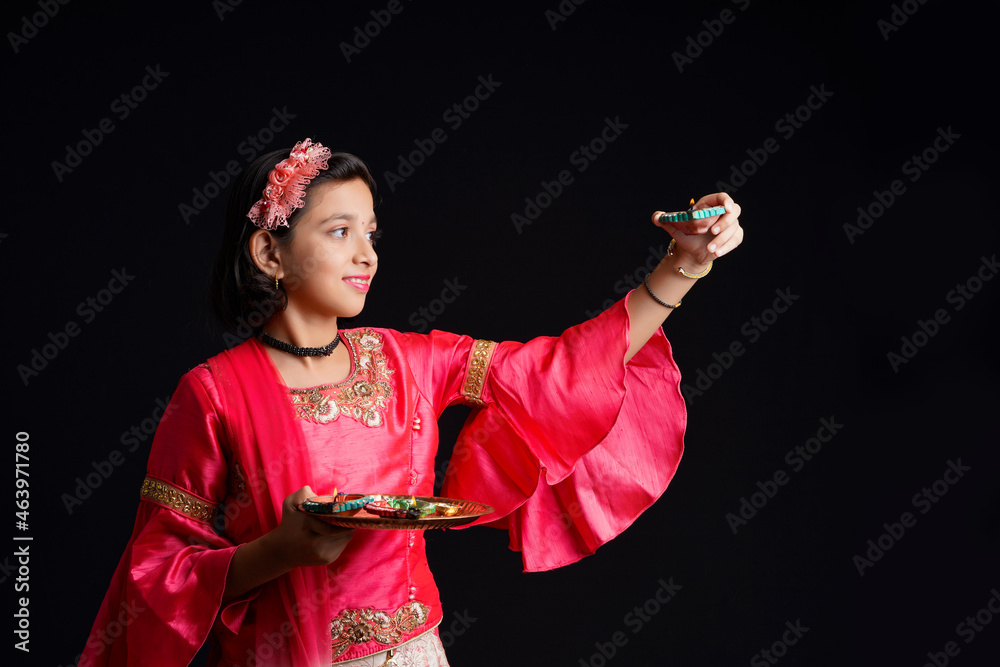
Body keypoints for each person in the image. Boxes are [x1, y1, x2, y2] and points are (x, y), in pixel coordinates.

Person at [79, 139, 743, 666]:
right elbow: (155, 573)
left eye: (372, 232)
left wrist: (680, 267)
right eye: (340, 231)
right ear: (267, 251)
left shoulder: (409, 359)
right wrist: (280, 550)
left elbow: (560, 370)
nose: (367, 253)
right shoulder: (214, 391)